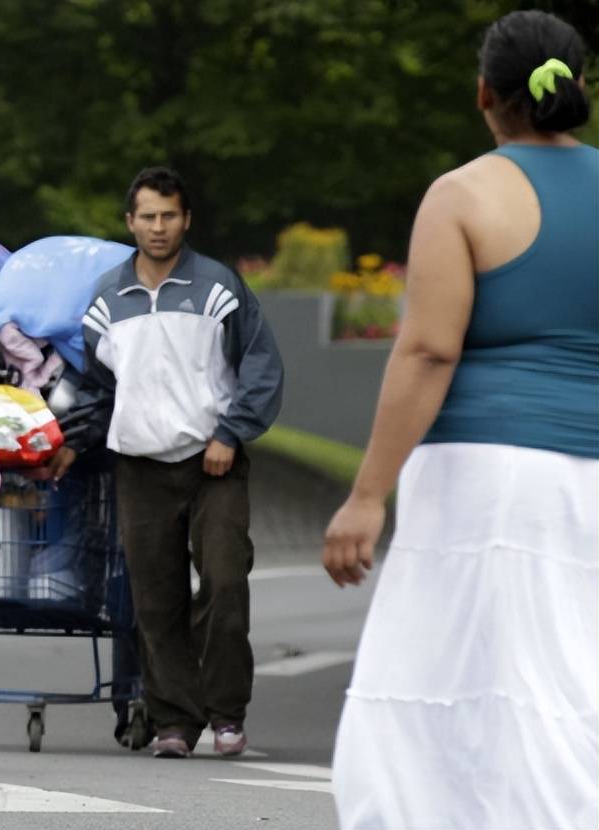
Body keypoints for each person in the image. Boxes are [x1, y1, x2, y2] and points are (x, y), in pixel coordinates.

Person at [321, 11, 597, 829]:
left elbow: (428, 351)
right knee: (569, 677)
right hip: (590, 477)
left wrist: (368, 496)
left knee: (437, 677)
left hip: (487, 476)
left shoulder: (465, 193)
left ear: (485, 93)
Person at [51, 166, 283, 758]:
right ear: (130, 222)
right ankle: (175, 722)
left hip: (215, 462)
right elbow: (103, 390)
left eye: (169, 215)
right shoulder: (107, 300)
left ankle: (228, 713)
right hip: (140, 468)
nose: (158, 227)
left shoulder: (220, 288)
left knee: (226, 584)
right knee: (155, 601)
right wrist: (76, 442)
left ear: (186, 219)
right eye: (147, 216)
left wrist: (231, 434)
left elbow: (260, 366)